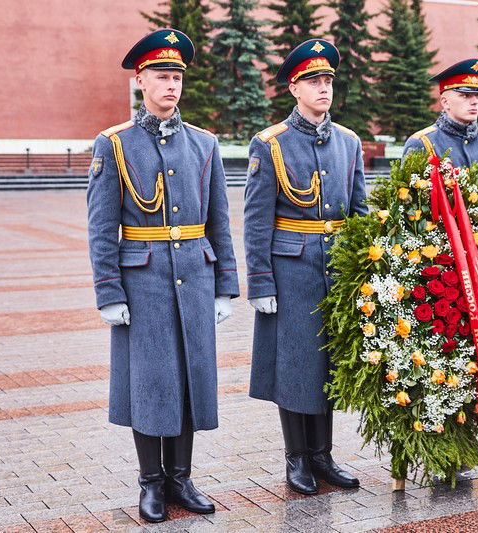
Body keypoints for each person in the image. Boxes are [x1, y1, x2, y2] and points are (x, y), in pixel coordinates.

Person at [86, 28, 239, 522]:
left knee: (191, 379)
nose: (170, 85)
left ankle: (182, 478)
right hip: (143, 281)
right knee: (153, 383)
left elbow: (219, 218)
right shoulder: (114, 144)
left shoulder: (205, 144)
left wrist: (225, 286)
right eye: (161, 76)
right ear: (141, 80)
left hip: (195, 276)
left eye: (176, 77)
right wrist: (108, 290)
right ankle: (151, 482)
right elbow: (101, 224)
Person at [243, 38, 367, 495]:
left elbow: (359, 211)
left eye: (328, 81)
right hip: (290, 270)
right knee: (296, 367)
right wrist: (259, 281)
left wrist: (365, 271)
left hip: (336, 269)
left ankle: (323, 456)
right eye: (313, 81)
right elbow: (256, 218)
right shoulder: (270, 143)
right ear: (293, 88)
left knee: (328, 366)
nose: (323, 88)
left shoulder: (349, 142)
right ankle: (297, 459)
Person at [403, 58, 478, 204]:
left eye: (477, 95)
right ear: (445, 102)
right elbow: (408, 205)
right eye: (465, 95)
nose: (475, 101)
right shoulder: (422, 143)